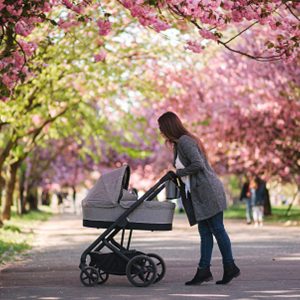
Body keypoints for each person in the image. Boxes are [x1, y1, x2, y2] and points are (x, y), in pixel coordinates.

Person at [158, 111, 240, 286]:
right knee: (205, 233)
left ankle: (230, 266)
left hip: (208, 191)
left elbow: (198, 164)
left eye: (161, 128)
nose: (161, 132)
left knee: (217, 229)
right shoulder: (180, 143)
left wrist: (178, 173)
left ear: (169, 127)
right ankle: (204, 271)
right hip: (200, 194)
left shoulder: (186, 142)